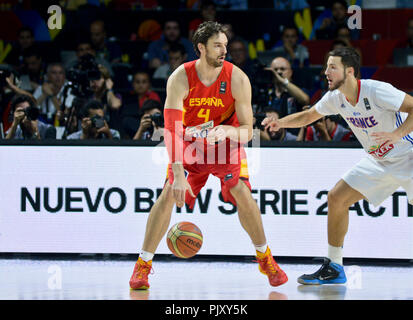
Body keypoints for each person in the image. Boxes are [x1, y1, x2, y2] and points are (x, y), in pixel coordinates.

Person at [129, 21, 288, 290]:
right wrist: (177, 174)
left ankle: (265, 258)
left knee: (241, 191)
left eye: (225, 45)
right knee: (169, 193)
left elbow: (249, 132)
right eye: (218, 45)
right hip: (189, 147)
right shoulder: (180, 77)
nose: (224, 50)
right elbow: (171, 129)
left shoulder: (237, 78)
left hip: (225, 145)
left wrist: (226, 130)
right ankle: (143, 265)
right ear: (201, 47)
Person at [262, 47, 413, 285]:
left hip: (409, 156)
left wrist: (396, 134)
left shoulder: (376, 90)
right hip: (380, 160)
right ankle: (333, 267)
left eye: (332, 67)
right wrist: (279, 123)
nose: (326, 72)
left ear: (350, 71)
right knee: (336, 198)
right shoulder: (336, 98)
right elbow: (309, 115)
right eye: (326, 67)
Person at [121, 71, 161, 138]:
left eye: (144, 82)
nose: (140, 85)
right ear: (132, 83)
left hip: (150, 124)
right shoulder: (127, 97)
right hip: (134, 126)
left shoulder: (153, 96)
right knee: (126, 121)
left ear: (149, 84)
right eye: (137, 82)